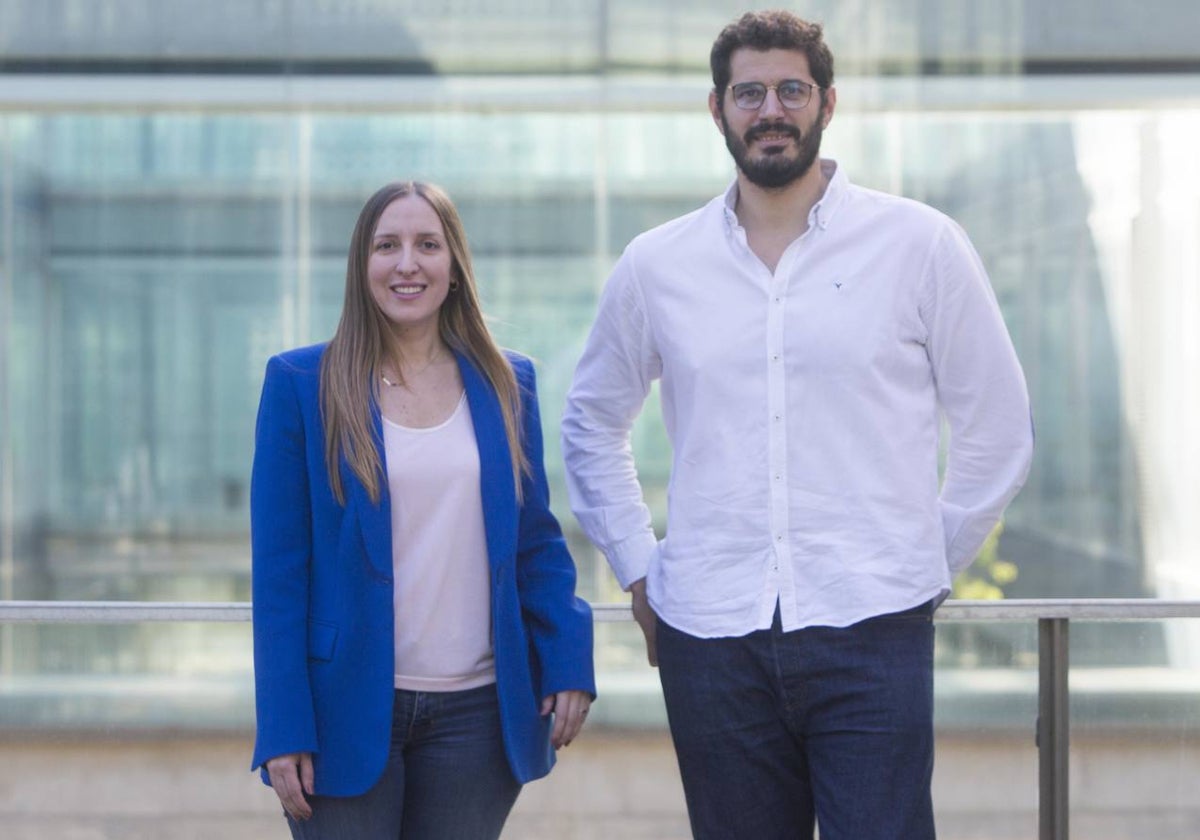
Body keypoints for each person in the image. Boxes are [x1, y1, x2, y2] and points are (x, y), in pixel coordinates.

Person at [561, 10, 1033, 840]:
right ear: (717, 110)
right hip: (711, 635)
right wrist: (639, 567)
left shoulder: (919, 244)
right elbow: (592, 421)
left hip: (873, 626)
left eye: (791, 89)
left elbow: (997, 425)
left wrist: (924, 556)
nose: (770, 109)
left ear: (827, 103)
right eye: (749, 92)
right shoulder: (656, 265)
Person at [250, 180, 595, 839]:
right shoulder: (301, 386)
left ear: (454, 266)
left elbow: (534, 542)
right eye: (387, 245)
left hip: (477, 718)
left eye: (427, 245)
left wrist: (569, 659)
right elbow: (279, 577)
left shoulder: (505, 381)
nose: (407, 262)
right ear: (362, 266)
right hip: (341, 713)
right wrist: (282, 727)